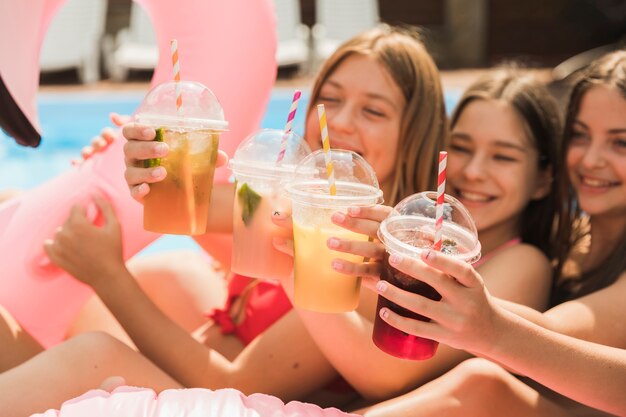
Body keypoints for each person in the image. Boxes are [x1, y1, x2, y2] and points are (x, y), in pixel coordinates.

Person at [0, 26, 448, 416]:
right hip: (180, 382)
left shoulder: (358, 255)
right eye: (330, 99)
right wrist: (137, 159)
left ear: (414, 134)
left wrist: (108, 276)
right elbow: (178, 202)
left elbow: (238, 386)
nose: (344, 121)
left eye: (374, 111)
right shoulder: (285, 205)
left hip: (219, 400)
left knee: (91, 355)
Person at [356, 50, 626, 417]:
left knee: (481, 385)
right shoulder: (571, 240)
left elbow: (558, 333)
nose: (591, 159)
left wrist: (482, 319)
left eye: (620, 142)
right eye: (579, 136)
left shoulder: (533, 258)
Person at [271, 66, 561, 402]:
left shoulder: (525, 263)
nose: (473, 171)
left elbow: (386, 376)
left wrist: (291, 264)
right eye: (462, 148)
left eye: (503, 157)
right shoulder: (406, 243)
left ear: (543, 179)